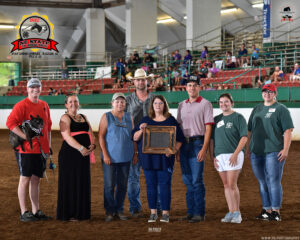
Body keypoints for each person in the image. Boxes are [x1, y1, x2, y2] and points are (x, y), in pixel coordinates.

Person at [6, 78, 52, 222]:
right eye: (32, 87)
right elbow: (10, 123)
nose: (35, 89)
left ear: (40, 89)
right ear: (27, 89)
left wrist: (48, 146)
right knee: (25, 179)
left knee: (36, 180)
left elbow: (48, 127)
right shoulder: (21, 105)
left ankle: (35, 210)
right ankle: (24, 211)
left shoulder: (45, 105)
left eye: (37, 87)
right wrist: (25, 137)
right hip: (25, 151)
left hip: (40, 151)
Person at [132, 96, 184, 223]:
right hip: (149, 159)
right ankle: (153, 213)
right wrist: (140, 129)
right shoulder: (145, 120)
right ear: (152, 105)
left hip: (165, 159)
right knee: (150, 186)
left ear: (164, 105)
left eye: (161, 103)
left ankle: (165, 213)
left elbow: (180, 139)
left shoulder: (171, 120)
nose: (158, 105)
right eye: (155, 103)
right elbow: (134, 137)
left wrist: (173, 150)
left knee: (165, 185)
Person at [247, 84, 294, 221]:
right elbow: (250, 130)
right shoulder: (257, 108)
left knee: (273, 180)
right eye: (265, 91)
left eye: (270, 92)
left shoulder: (281, 109)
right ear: (262, 94)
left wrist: (285, 149)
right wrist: (248, 148)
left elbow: (288, 131)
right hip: (256, 151)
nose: (267, 94)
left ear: (275, 94)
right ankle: (266, 210)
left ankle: (276, 211)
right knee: (262, 181)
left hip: (273, 151)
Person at [177, 77, 214, 223]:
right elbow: (178, 129)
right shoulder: (181, 105)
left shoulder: (206, 104)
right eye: (189, 85)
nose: (192, 88)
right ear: (186, 88)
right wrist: (178, 149)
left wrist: (204, 148)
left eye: (194, 85)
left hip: (198, 143)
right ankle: (190, 212)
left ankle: (199, 213)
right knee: (187, 180)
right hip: (184, 145)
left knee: (197, 180)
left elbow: (208, 127)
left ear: (199, 87)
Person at [209, 93, 248, 224]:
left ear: (231, 102)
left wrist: (236, 154)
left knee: (232, 184)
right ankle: (231, 211)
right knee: (226, 185)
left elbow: (244, 137)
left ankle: (237, 213)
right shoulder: (216, 119)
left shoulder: (238, 117)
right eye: (221, 102)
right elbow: (212, 140)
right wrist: (213, 156)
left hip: (234, 155)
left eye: (226, 102)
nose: (223, 104)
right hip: (220, 156)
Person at [56, 94, 95, 221]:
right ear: (66, 105)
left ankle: (81, 213)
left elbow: (90, 133)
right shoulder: (64, 118)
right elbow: (66, 136)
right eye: (71, 101)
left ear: (79, 103)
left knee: (81, 181)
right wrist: (81, 148)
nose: (73, 103)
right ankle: (70, 213)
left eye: (76, 101)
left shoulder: (84, 117)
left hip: (83, 156)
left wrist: (93, 144)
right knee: (71, 182)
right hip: (70, 155)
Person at [99, 93, 134, 222]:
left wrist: (135, 153)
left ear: (125, 104)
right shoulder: (106, 116)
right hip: (110, 158)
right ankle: (109, 211)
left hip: (126, 157)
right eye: (117, 101)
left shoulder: (129, 117)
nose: (120, 104)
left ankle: (119, 210)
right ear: (112, 103)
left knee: (122, 185)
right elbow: (101, 136)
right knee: (109, 185)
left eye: (122, 102)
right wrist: (105, 154)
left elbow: (133, 137)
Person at [125, 68, 155, 217]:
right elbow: (124, 123)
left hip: (154, 143)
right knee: (133, 178)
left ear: (147, 81)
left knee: (154, 176)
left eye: (143, 79)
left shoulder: (156, 99)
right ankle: (135, 208)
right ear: (134, 82)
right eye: (138, 80)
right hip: (134, 143)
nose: (141, 82)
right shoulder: (127, 100)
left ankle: (157, 207)